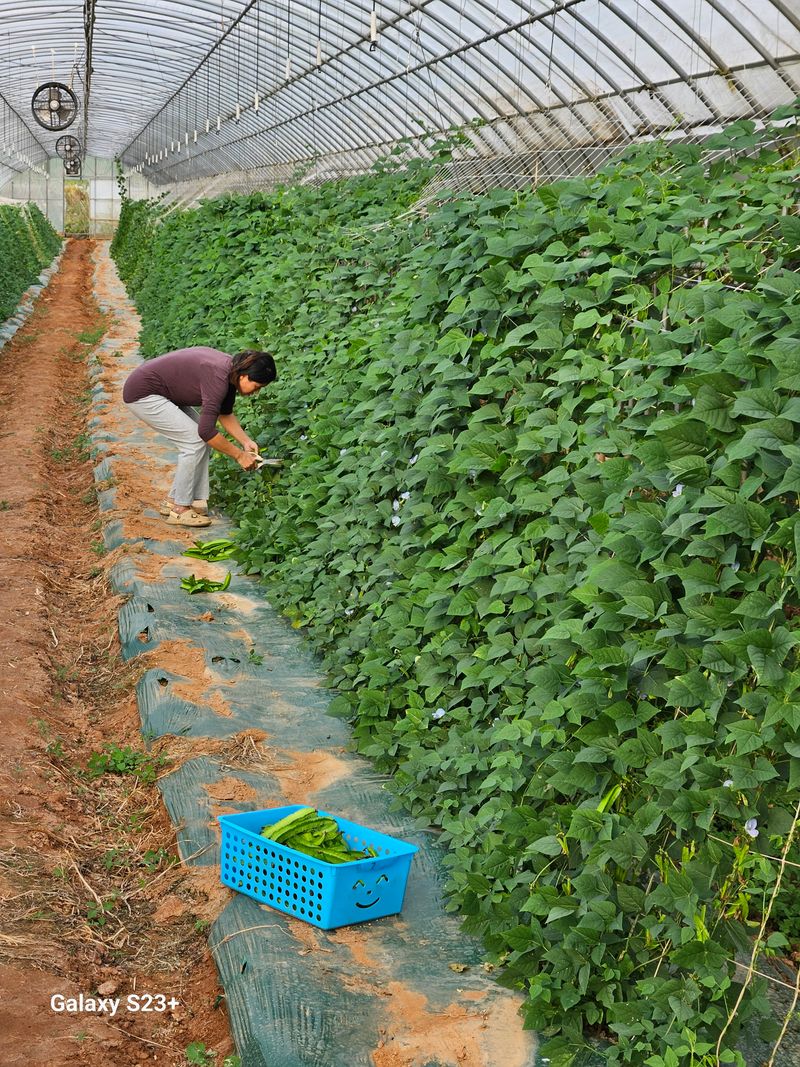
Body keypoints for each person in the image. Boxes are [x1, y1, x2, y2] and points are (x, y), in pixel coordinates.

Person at [122, 346, 277, 527]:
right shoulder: (218, 377)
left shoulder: (231, 372)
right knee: (195, 440)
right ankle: (180, 509)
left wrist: (245, 441)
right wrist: (239, 455)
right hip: (143, 393)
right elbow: (205, 432)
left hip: (164, 393)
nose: (255, 392)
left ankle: (175, 500)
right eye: (256, 386)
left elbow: (224, 413)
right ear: (245, 375)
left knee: (199, 439)